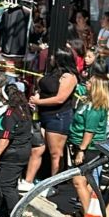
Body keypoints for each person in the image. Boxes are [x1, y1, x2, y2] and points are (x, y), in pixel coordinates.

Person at [29, 47, 80, 189]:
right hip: (43, 115)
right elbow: (43, 89)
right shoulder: (53, 73)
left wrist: (39, 102)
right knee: (38, 148)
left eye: (53, 57)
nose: (50, 59)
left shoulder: (69, 77)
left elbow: (60, 99)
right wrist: (36, 98)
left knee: (55, 154)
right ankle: (31, 179)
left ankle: (53, 185)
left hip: (58, 117)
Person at [0, 83, 32, 217]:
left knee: (7, 187)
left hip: (13, 154)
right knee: (10, 185)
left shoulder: (10, 113)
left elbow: (5, 138)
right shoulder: (25, 109)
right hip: (23, 151)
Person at [69, 59, 109, 215]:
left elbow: (89, 131)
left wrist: (81, 150)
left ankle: (89, 216)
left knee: (79, 181)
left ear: (96, 88)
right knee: (85, 182)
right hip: (81, 145)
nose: (87, 84)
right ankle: (85, 210)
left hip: (89, 148)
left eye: (90, 83)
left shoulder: (95, 108)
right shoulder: (88, 101)